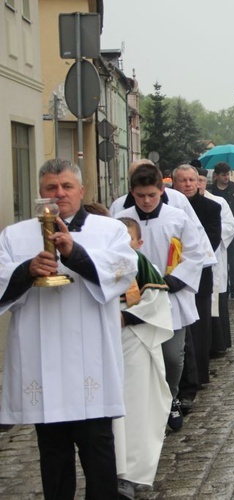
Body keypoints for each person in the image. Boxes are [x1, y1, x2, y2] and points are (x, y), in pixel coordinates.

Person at [0, 159, 138, 499]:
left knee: (99, 451)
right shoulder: (14, 236)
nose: (59, 194)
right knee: (53, 455)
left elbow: (124, 270)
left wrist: (74, 253)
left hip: (91, 362)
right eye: (51, 187)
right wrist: (27, 271)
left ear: (81, 190)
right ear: (40, 193)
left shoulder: (109, 230)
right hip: (42, 363)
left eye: (66, 187)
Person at [117, 163, 207, 431]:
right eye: (141, 195)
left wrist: (173, 281)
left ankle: (170, 398)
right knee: (141, 355)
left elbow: (195, 252)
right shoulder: (120, 219)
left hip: (171, 295)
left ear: (161, 191)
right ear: (133, 193)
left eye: (152, 195)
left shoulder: (177, 218)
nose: (146, 201)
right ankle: (145, 406)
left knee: (171, 356)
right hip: (135, 297)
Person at [113, 217, 173, 499]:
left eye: (128, 238)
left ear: (138, 242)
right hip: (103, 346)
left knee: (135, 407)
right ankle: (111, 470)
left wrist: (125, 316)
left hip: (135, 341)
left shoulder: (141, 264)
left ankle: (131, 473)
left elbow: (157, 302)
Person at [171, 164, 222, 411]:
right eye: (183, 180)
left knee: (200, 324)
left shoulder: (211, 207)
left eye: (192, 180)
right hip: (173, 274)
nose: (189, 184)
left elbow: (211, 239)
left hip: (200, 271)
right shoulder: (169, 207)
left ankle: (200, 373)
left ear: (199, 182)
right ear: (174, 183)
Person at [196, 167, 234, 356]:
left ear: (207, 182)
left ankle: (218, 344)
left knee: (216, 299)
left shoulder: (218, 202)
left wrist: (210, 233)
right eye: (194, 180)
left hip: (215, 257)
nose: (197, 185)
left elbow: (231, 225)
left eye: (201, 180)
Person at [207, 161, 234, 300]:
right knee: (219, 263)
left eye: (228, 174)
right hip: (217, 231)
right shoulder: (210, 191)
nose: (226, 177)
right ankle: (220, 289)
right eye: (223, 175)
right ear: (216, 175)